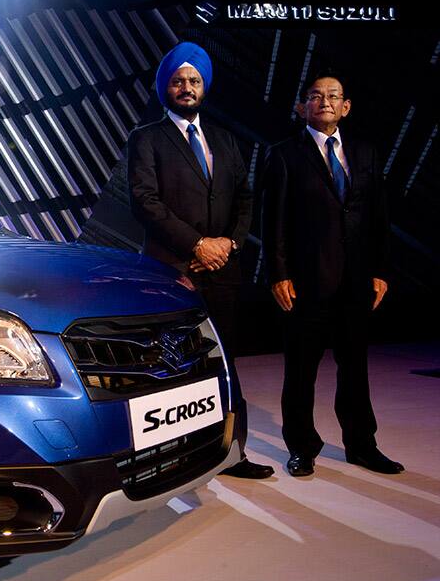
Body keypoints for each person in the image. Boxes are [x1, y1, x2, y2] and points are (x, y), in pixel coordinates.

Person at [128, 41, 273, 480]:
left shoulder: (225, 141)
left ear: (204, 87)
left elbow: (245, 199)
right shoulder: (147, 138)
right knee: (172, 368)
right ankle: (170, 458)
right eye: (178, 80)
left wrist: (228, 243)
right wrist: (198, 245)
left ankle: (234, 453)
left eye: (194, 80)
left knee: (225, 363)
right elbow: (145, 202)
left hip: (223, 270)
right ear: (165, 88)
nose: (186, 87)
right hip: (172, 271)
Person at [261, 68, 403, 476]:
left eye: (334, 95)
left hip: (357, 282)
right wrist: (278, 273)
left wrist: (380, 270)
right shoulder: (284, 154)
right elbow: (274, 221)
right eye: (316, 95)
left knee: (355, 369)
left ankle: (362, 445)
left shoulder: (366, 153)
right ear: (301, 106)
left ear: (346, 107)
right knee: (301, 372)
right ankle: (302, 447)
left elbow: (378, 217)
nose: (325, 101)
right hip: (305, 283)